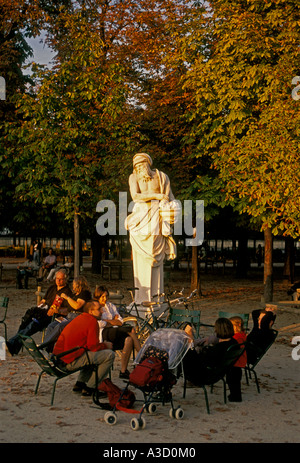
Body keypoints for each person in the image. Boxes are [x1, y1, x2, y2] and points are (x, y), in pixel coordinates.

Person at [125, 153, 181, 305]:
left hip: (157, 217)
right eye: (135, 166)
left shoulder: (162, 177)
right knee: (142, 260)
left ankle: (156, 300)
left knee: (155, 261)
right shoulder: (134, 177)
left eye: (140, 165)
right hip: (141, 219)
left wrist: (175, 208)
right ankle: (141, 300)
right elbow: (135, 196)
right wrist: (158, 195)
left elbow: (170, 197)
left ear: (147, 164)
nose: (138, 168)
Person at [53, 300, 115, 397]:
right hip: (68, 362)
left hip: (59, 359)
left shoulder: (80, 318)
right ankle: (91, 388)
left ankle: (80, 383)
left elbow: (90, 346)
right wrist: (106, 345)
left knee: (90, 355)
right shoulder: (92, 321)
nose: (102, 311)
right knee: (109, 355)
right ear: (91, 311)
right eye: (99, 309)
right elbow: (93, 347)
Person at [6, 270, 73, 356]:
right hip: (42, 311)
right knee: (25, 322)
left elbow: (67, 309)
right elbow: (43, 301)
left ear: (65, 279)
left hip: (51, 316)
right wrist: (41, 304)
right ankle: (14, 346)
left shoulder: (67, 292)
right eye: (57, 278)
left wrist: (57, 310)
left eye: (61, 279)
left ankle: (12, 344)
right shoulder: (52, 288)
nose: (58, 281)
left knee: (31, 326)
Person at [182, 318, 242, 400]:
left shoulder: (217, 349)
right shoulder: (234, 343)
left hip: (205, 376)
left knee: (184, 356)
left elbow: (200, 361)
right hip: (218, 373)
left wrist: (191, 342)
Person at [94, 285, 141, 379]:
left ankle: (123, 371)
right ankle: (141, 356)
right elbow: (98, 323)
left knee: (129, 339)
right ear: (98, 296)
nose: (105, 298)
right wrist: (112, 321)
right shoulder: (95, 307)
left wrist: (108, 321)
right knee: (131, 329)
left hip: (115, 331)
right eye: (102, 296)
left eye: (106, 296)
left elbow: (120, 321)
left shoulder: (110, 305)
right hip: (104, 334)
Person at [41, 276, 92, 351]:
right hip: (69, 316)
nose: (73, 286)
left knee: (60, 326)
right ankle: (48, 348)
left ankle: (43, 346)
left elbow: (77, 306)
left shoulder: (84, 293)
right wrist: (59, 311)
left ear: (78, 284)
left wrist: (67, 297)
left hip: (78, 317)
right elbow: (69, 308)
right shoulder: (75, 295)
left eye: (74, 284)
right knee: (51, 325)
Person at [227, 316, 248, 402]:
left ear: (238, 325)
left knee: (233, 380)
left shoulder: (238, 337)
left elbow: (235, 348)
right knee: (233, 380)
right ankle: (234, 395)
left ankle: (235, 396)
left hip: (236, 361)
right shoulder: (241, 335)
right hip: (238, 361)